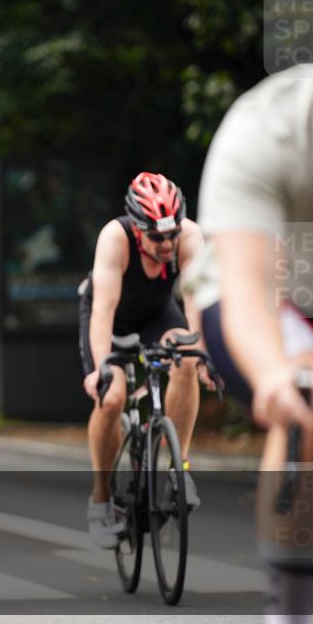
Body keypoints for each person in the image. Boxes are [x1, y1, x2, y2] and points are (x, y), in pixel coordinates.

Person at [183, 0, 313, 624]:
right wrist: (275, 374)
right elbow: (246, 286)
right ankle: (291, 618)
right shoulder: (267, 127)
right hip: (269, 295)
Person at [79, 172, 214, 548]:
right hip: (112, 320)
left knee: (187, 357)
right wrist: (102, 368)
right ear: (138, 230)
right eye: (157, 237)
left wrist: (204, 356)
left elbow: (195, 305)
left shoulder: (189, 237)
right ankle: (102, 498)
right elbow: (103, 311)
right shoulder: (115, 238)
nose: (167, 243)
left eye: (172, 234)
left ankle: (178, 470)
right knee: (112, 399)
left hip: (158, 314)